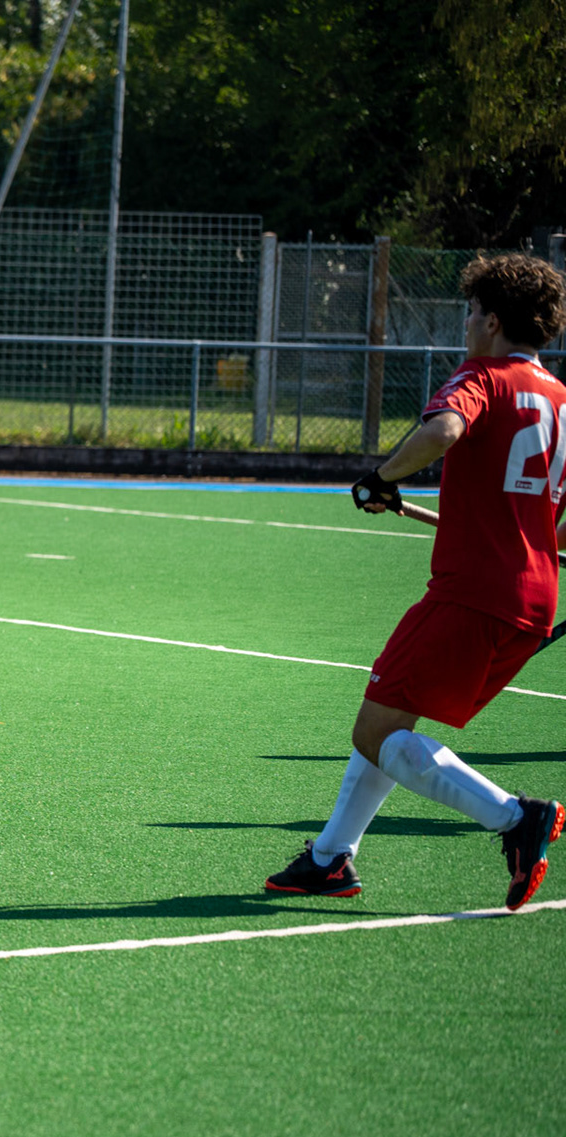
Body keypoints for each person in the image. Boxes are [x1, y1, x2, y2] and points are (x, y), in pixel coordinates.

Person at [267, 253, 566, 910]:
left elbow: (446, 429)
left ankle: (516, 817)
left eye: (471, 312)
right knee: (391, 718)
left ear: (493, 321)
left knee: (375, 733)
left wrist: (381, 478)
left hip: (472, 593)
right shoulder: (563, 401)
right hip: (533, 600)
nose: (466, 324)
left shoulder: (483, 376)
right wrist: (541, 543)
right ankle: (329, 858)